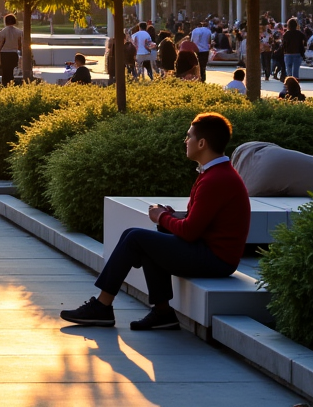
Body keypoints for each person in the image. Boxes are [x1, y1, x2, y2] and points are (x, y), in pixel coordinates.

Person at [61, 112, 250, 330]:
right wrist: (170, 216)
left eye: (189, 136)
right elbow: (200, 222)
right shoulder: (214, 173)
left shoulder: (216, 179)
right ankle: (162, 312)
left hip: (215, 259)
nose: (185, 141)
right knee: (142, 239)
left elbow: (190, 231)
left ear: (202, 143)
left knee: (136, 237)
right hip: (207, 250)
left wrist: (162, 216)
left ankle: (103, 306)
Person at [0, 14, 23, 86]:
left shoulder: (2, 33)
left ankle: (5, 85)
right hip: (14, 53)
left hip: (4, 54)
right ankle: (11, 85)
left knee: (5, 72)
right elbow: (20, 46)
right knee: (11, 71)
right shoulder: (19, 32)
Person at [281, 18, 306, 84]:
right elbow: (305, 40)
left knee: (288, 71)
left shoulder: (286, 34)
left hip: (288, 53)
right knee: (295, 71)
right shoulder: (299, 33)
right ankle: (295, 84)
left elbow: (283, 44)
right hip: (297, 53)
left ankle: (289, 84)